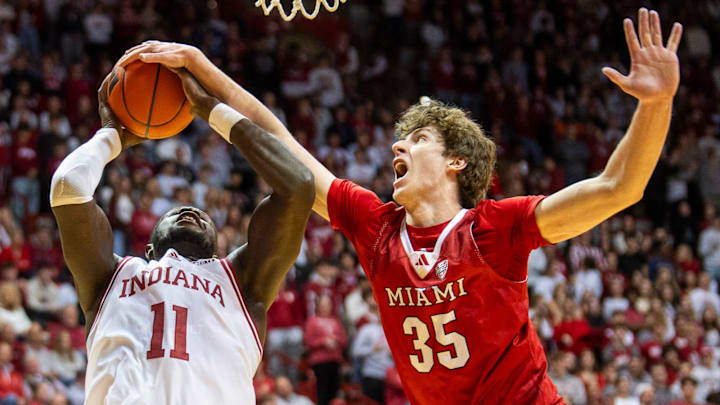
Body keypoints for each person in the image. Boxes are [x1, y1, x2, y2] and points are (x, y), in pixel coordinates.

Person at [125, 8, 682, 404]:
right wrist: (204, 72)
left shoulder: (496, 227)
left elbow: (618, 188)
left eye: (416, 141)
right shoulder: (375, 227)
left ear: (456, 162)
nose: (398, 145)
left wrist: (656, 104)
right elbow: (284, 144)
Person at [50, 69, 314, 403]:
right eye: (172, 212)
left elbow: (299, 187)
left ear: (219, 251)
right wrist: (111, 136)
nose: (188, 210)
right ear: (148, 249)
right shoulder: (110, 274)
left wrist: (212, 112)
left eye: (202, 215)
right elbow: (67, 188)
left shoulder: (242, 281)